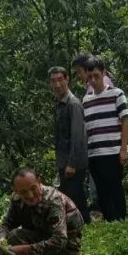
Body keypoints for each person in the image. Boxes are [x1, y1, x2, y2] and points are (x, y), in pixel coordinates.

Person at [0, 168, 83, 255]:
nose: (30, 195)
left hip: (66, 248)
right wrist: (0, 241)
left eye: (33, 188)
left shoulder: (54, 201)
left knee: (15, 240)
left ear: (39, 182)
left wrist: (25, 250)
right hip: (42, 236)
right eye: (23, 192)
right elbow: (7, 224)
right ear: (15, 191)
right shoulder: (17, 199)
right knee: (11, 237)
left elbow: (60, 240)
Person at [82, 56, 128, 221]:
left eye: (96, 75)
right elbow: (86, 129)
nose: (93, 80)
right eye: (90, 77)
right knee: (101, 193)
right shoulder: (86, 100)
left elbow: (125, 121)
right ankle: (110, 221)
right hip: (94, 154)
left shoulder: (117, 94)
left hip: (112, 151)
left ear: (103, 73)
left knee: (115, 189)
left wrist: (123, 149)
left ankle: (121, 221)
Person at [49, 66, 91, 223]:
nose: (57, 84)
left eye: (60, 80)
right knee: (68, 198)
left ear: (67, 80)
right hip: (63, 161)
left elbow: (78, 137)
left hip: (74, 163)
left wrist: (72, 164)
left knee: (75, 198)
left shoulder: (73, 104)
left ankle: (85, 225)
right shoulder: (58, 104)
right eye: (53, 81)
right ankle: (78, 226)